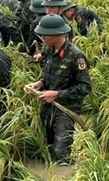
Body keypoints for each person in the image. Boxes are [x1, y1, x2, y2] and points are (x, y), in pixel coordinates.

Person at [24, 15, 92, 165]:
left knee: (61, 153)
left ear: (57, 34)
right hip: (48, 106)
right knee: (47, 145)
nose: (42, 37)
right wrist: (39, 84)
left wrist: (57, 94)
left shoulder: (76, 56)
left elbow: (85, 87)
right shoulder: (49, 50)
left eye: (45, 34)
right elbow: (47, 75)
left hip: (66, 109)